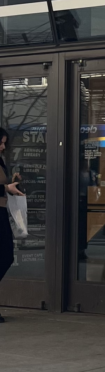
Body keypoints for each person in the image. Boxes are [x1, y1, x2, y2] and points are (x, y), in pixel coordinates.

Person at [0, 126, 24, 323]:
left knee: (6, 255)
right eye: (0, 142)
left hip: (1, 211)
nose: (2, 147)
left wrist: (11, 184)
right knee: (5, 254)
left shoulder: (0, 161)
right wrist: (6, 187)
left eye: (4, 144)